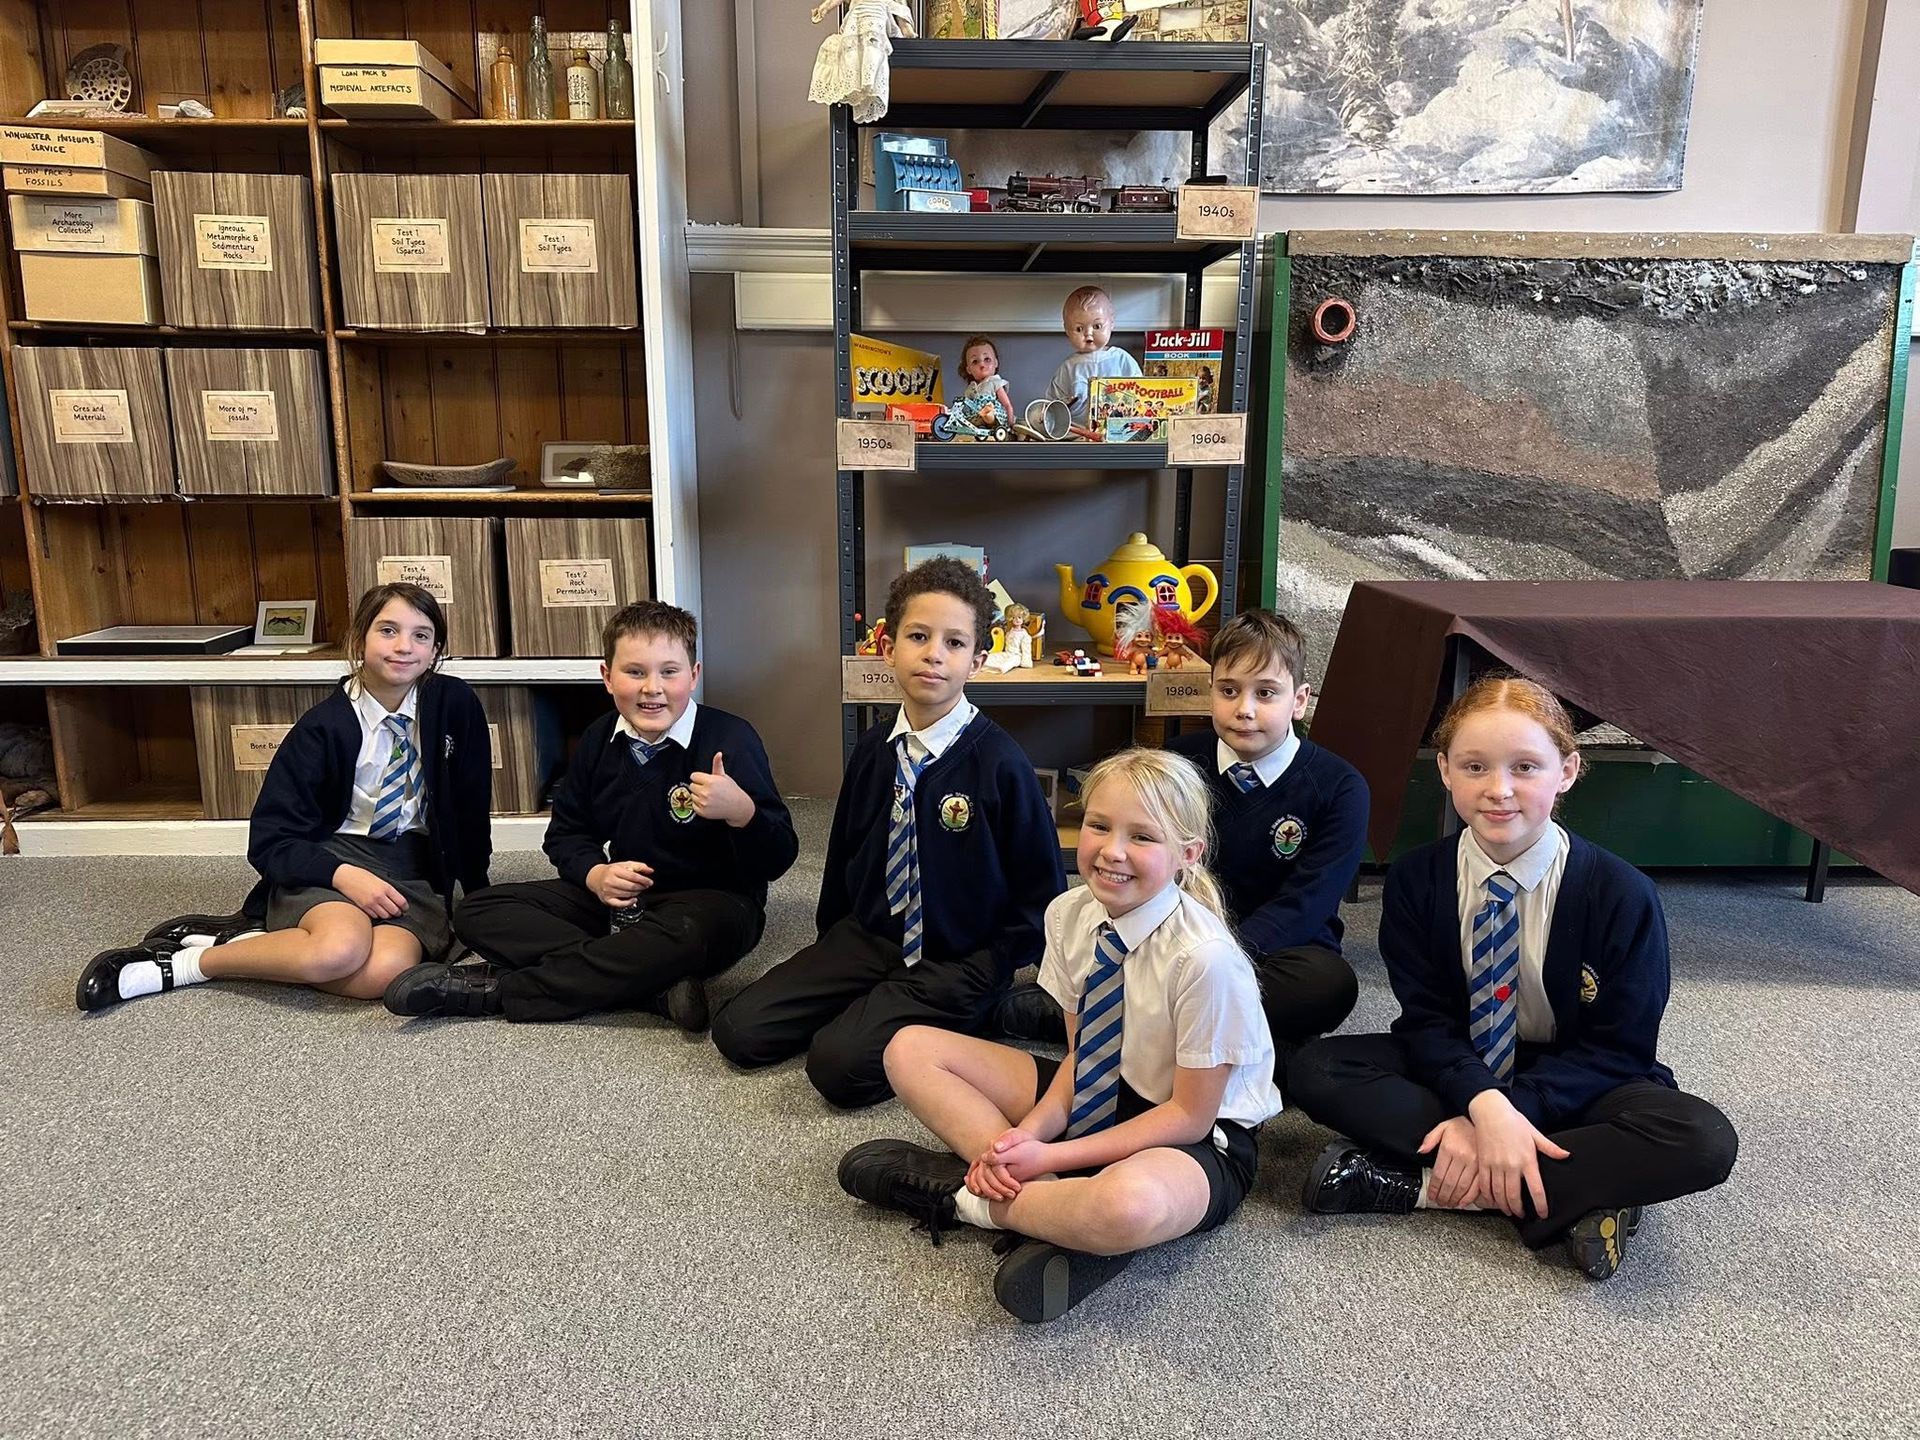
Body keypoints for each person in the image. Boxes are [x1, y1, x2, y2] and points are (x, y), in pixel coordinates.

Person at [1287, 676, 1739, 1280]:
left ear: (1568, 771)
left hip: (1579, 1077)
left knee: (1701, 1139)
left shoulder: (1621, 893)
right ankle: (1580, 1191)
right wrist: (1481, 1102)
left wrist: (1506, 1113)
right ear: (1445, 770)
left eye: (1526, 767)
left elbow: (1619, 1047)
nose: (1498, 790)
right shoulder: (1418, 880)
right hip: (1462, 1063)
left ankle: (1423, 1187)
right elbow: (1428, 1022)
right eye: (1475, 766)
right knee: (1316, 1069)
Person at [838, 748, 1282, 1323]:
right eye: (1099, 825)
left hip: (1196, 1137)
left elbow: (1189, 1118)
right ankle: (1054, 1207)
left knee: (1127, 1207)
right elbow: (1082, 1057)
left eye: (1142, 837)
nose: (1113, 851)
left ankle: (969, 1200)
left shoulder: (1206, 960)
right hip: (1104, 1086)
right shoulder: (1069, 915)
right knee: (909, 1048)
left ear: (1187, 856)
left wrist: (1052, 1152)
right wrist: (1021, 1142)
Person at [712, 556, 1064, 1107]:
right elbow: (844, 854)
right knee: (740, 1032)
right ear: (887, 647)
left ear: (978, 658)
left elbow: (1042, 890)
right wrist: (833, 945)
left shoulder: (1000, 763)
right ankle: (883, 1003)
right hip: (872, 936)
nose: (934, 655)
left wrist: (994, 965)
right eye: (918, 636)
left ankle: (976, 1012)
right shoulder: (875, 751)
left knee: (837, 1068)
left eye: (954, 643)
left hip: (957, 957)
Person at [76, 584, 492, 1011]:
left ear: (436, 647)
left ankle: (262, 944)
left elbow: (472, 807)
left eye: (421, 635)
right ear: (359, 639)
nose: (404, 647)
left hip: (412, 869)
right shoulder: (322, 728)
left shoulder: (454, 705)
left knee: (385, 972)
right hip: (331, 859)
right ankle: (186, 964)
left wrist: (478, 897)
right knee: (338, 951)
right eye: (388, 631)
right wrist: (344, 875)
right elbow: (270, 841)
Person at [384, 601, 796, 1030]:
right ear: (607, 676)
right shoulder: (600, 739)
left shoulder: (731, 738)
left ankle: (502, 991)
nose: (652, 687)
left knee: (687, 936)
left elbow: (779, 857)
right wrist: (596, 874)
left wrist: (742, 812)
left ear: (693, 676)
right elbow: (566, 835)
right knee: (478, 910)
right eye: (635, 672)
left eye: (669, 672)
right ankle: (649, 985)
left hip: (709, 904)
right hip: (620, 903)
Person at [996, 609, 1368, 1083]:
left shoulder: (1340, 787)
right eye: (1228, 690)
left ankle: (1114, 1021)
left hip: (1279, 953)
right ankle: (1233, 1046)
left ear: (1299, 701)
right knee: (1078, 922)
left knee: (1328, 987)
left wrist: (1225, 960)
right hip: (1170, 939)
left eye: (1266, 693)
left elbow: (1308, 901)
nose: (1245, 709)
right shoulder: (1178, 761)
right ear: (1210, 689)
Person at [1046, 285, 1141, 425]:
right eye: (1079, 329)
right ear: (1067, 330)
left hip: (1118, 431)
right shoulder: (1069, 368)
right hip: (1078, 434)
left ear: (1112, 323)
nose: (1088, 333)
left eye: (1097, 326)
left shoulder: (1122, 360)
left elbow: (1142, 393)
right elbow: (1052, 406)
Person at [957, 334, 1014, 428]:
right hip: (976, 419)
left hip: (993, 416)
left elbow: (1007, 405)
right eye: (975, 361)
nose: (982, 365)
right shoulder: (971, 388)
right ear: (968, 369)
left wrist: (1010, 423)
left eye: (987, 359)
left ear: (996, 363)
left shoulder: (995, 383)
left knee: (989, 415)